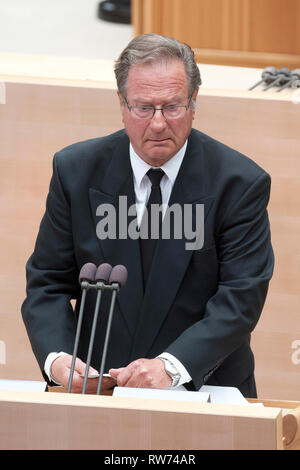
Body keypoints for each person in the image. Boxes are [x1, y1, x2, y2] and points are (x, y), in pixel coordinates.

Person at [21, 34, 274, 397]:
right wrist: (59, 358)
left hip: (203, 390)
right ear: (121, 104)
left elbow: (240, 299)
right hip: (101, 389)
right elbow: (47, 283)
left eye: (172, 107)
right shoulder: (75, 171)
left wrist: (171, 367)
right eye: (143, 108)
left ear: (193, 103)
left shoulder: (240, 183)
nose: (158, 124)